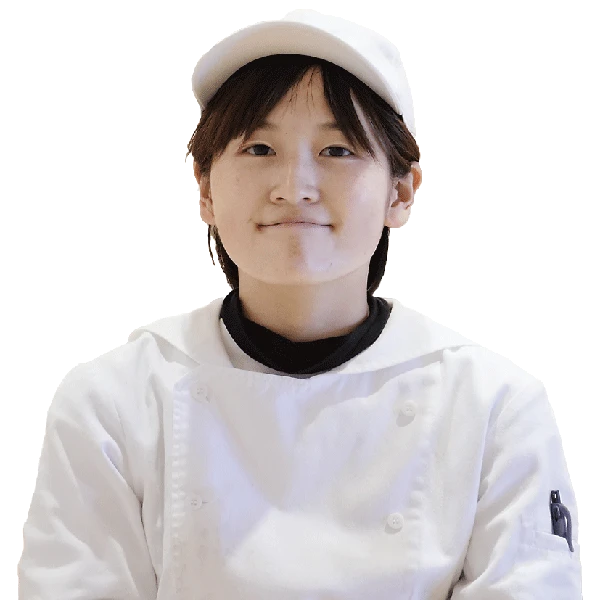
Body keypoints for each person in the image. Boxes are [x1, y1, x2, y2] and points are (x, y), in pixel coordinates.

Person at [18, 9, 582, 599]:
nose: (294, 187)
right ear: (205, 189)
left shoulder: (494, 405)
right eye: (259, 147)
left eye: (337, 149)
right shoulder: (114, 400)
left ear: (401, 192)